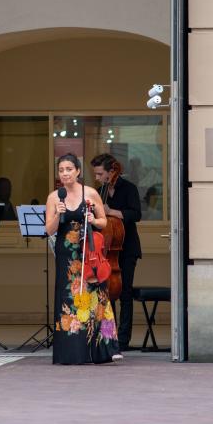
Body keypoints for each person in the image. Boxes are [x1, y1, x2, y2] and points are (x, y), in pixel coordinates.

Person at [45, 153, 122, 364]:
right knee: (69, 300)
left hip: (89, 252)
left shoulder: (90, 193)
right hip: (67, 255)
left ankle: (103, 348)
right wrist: (57, 215)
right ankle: (72, 351)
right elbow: (49, 229)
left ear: (78, 171)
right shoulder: (54, 197)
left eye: (69, 169)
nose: (65, 174)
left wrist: (93, 219)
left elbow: (104, 222)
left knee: (97, 298)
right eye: (61, 170)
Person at [91, 153, 142, 352]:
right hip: (105, 251)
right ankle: (107, 335)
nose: (97, 178)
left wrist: (110, 211)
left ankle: (123, 339)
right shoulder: (98, 192)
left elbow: (135, 214)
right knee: (106, 294)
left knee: (125, 293)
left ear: (112, 172)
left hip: (126, 248)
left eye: (100, 173)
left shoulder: (128, 188)